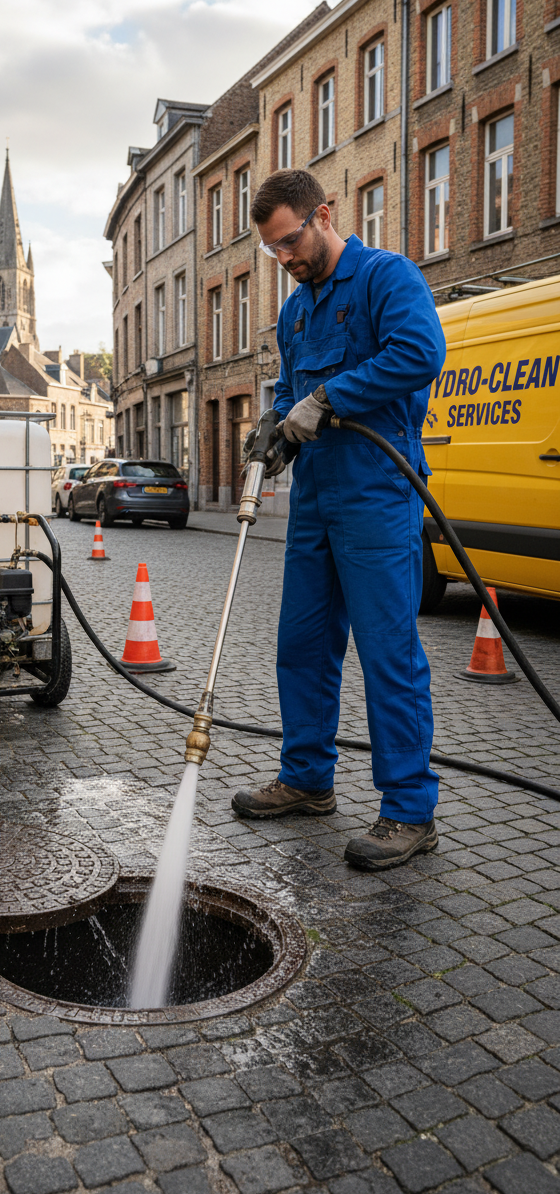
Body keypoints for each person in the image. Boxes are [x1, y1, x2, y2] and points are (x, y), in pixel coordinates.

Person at [232, 169, 447, 870]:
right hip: (316, 501)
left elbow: (420, 354)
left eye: (290, 241)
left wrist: (329, 397)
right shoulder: (294, 313)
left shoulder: (388, 277)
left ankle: (410, 811)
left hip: (379, 495)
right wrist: (276, 427)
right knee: (302, 644)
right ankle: (307, 778)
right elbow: (295, 398)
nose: (285, 259)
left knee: (388, 653)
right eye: (273, 250)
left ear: (323, 214)